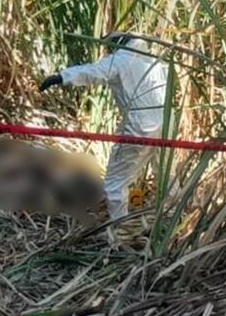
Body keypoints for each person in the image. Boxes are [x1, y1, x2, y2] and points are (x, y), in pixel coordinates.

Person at [39, 32, 170, 221]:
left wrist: (61, 77)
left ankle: (121, 230)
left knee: (115, 183)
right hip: (164, 126)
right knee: (166, 172)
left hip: (139, 128)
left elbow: (94, 72)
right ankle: (176, 215)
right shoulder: (153, 61)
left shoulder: (121, 60)